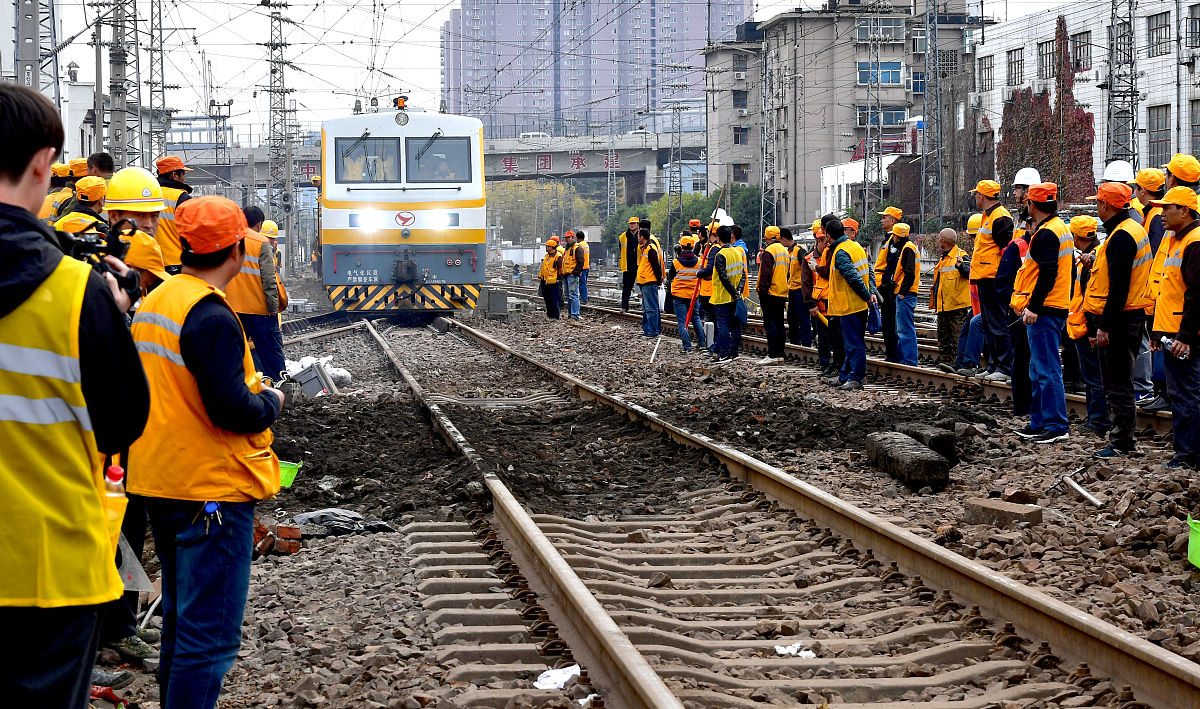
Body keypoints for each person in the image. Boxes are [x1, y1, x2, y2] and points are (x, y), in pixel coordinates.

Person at [0, 83, 150, 705]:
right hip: (48, 569)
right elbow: (123, 425)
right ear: (43, 162)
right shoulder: (75, 290)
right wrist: (112, 315)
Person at [128, 195, 285, 709]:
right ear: (237, 248)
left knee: (181, 623)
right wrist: (270, 401)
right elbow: (232, 410)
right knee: (209, 641)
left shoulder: (159, 301)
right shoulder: (211, 316)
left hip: (161, 481)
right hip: (208, 491)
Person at [1080, 183, 1153, 457]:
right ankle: (1123, 438)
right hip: (1131, 316)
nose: (1097, 207)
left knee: (1117, 383)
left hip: (1121, 321)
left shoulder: (1121, 236)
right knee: (1120, 381)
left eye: (1098, 203)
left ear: (1106, 206)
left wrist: (1104, 327)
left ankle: (1122, 441)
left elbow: (1119, 287)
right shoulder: (1130, 230)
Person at [1010, 183, 1072, 444]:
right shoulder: (1059, 229)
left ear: (1031, 205)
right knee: (1039, 369)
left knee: (1046, 370)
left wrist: (1034, 307)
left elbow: (1047, 274)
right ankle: (1039, 422)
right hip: (1051, 307)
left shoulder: (1047, 234)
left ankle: (1056, 424)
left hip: (1045, 311)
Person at [1147, 186, 1200, 469]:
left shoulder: (1194, 241)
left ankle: (1189, 455)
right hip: (1173, 331)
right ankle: (1186, 451)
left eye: (1168, 208)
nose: (1162, 213)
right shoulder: (1176, 239)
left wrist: (1186, 336)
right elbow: (1167, 291)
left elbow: (1196, 294)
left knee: (1186, 395)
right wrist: (1159, 332)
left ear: (1185, 210)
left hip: (1184, 334)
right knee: (1181, 393)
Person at [1065, 215, 1112, 438]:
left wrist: (1093, 330)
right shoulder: (1095, 256)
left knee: (1093, 377)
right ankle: (1098, 418)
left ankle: (1098, 420)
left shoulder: (1089, 263)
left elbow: (1092, 299)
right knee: (1095, 375)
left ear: (1076, 236)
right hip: (1085, 326)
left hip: (1086, 327)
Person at [228, 206, 284, 381]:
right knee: (270, 350)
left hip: (232, 308)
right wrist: (273, 306)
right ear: (259, 224)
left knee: (233, 352)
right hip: (259, 309)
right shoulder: (261, 242)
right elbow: (269, 278)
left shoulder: (229, 239)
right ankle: (280, 384)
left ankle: (235, 387)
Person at [970, 179, 1016, 384]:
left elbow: (1006, 251)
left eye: (977, 194)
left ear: (982, 195)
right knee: (989, 325)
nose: (975, 197)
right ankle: (993, 365)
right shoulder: (988, 217)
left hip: (993, 279)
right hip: (985, 277)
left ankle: (1004, 367)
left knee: (998, 324)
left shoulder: (1000, 218)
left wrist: (1002, 279)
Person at [826, 219, 877, 390]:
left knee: (853, 343)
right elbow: (869, 270)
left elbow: (853, 278)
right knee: (851, 343)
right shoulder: (855, 246)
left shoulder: (840, 252)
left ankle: (855, 378)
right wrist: (870, 292)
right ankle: (845, 375)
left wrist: (867, 295)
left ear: (828, 236)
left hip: (849, 305)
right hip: (857, 305)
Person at [931, 227, 971, 373]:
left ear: (944, 240)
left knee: (956, 337)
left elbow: (969, 273)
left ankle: (957, 364)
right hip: (943, 305)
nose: (938, 240)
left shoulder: (961, 255)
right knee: (944, 338)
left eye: (939, 238)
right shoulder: (944, 258)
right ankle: (946, 362)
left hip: (956, 306)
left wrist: (961, 267)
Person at [705, 225, 744, 363]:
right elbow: (743, 275)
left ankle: (725, 353)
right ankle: (734, 352)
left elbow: (723, 276)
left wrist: (733, 292)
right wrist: (738, 291)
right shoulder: (737, 252)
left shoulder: (720, 255)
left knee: (723, 326)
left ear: (718, 238)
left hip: (722, 297)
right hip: (735, 297)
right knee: (735, 326)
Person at [808, 219, 843, 375]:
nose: (822, 242)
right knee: (825, 337)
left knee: (836, 337)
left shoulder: (834, 251)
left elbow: (828, 273)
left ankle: (839, 366)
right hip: (824, 301)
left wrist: (816, 268)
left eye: (823, 238)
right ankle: (831, 366)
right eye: (819, 239)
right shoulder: (812, 256)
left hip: (834, 301)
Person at [886, 222, 920, 365]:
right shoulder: (909, 247)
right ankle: (905, 359)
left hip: (905, 295)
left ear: (897, 236)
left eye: (893, 235)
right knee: (904, 328)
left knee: (905, 329)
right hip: (905, 294)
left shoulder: (907, 249)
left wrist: (902, 292)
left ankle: (910, 361)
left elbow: (909, 273)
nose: (892, 238)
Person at [667, 234, 707, 353]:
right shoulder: (699, 261)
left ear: (682, 247)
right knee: (695, 318)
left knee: (682, 321)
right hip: (693, 295)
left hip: (679, 296)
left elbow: (671, 276)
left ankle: (687, 347)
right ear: (693, 246)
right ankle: (702, 343)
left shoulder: (676, 262)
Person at [154, 155, 194, 271]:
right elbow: (192, 235)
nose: (184, 178)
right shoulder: (181, 198)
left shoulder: (149, 193)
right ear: (175, 175)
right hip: (176, 265)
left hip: (152, 264)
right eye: (183, 174)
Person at [756, 225, 789, 364]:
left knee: (771, 324)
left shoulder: (769, 251)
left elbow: (765, 274)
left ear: (766, 238)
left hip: (770, 293)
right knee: (779, 324)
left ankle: (772, 354)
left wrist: (762, 292)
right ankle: (780, 354)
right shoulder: (785, 251)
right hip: (782, 292)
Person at [874, 206, 903, 361]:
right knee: (887, 322)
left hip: (888, 289)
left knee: (890, 322)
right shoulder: (888, 240)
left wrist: (887, 283)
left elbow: (892, 264)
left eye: (884, 217)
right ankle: (891, 353)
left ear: (892, 221)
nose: (882, 220)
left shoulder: (894, 241)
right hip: (884, 288)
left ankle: (893, 354)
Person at [781, 227, 812, 346]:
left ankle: (806, 342)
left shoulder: (799, 250)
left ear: (783, 239)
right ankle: (795, 341)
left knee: (803, 317)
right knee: (792, 318)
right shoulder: (788, 252)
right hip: (792, 289)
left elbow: (807, 268)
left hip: (800, 289)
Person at [636, 228, 663, 337]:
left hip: (649, 282)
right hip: (645, 282)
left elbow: (656, 266)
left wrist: (658, 279)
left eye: (639, 236)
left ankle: (652, 331)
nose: (638, 239)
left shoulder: (650, 249)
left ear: (642, 237)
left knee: (651, 308)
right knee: (647, 308)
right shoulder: (645, 248)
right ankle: (647, 330)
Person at [561, 230, 583, 324]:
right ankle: (571, 314)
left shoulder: (577, 248)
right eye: (566, 238)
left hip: (572, 275)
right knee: (568, 296)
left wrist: (575, 273)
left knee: (573, 295)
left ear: (573, 237)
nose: (567, 239)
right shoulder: (567, 249)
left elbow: (581, 261)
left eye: (568, 237)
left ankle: (575, 315)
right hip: (566, 275)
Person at [618, 217, 639, 310]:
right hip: (628, 265)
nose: (632, 225)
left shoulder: (642, 236)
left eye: (634, 223)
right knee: (626, 287)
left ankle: (645, 307)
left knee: (643, 287)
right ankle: (624, 306)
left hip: (640, 265)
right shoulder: (623, 236)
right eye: (630, 223)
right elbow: (621, 249)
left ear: (638, 225)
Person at [538, 238, 561, 319]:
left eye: (547, 246)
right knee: (547, 299)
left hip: (553, 282)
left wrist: (558, 279)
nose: (546, 248)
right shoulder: (546, 256)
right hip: (545, 280)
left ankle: (555, 316)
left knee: (554, 299)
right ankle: (550, 315)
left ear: (552, 247)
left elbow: (560, 269)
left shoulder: (558, 256)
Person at [576, 229, 590, 304]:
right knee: (584, 283)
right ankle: (584, 297)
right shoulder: (586, 244)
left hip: (582, 267)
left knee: (582, 284)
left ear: (577, 238)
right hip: (586, 266)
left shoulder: (580, 245)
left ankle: (584, 299)